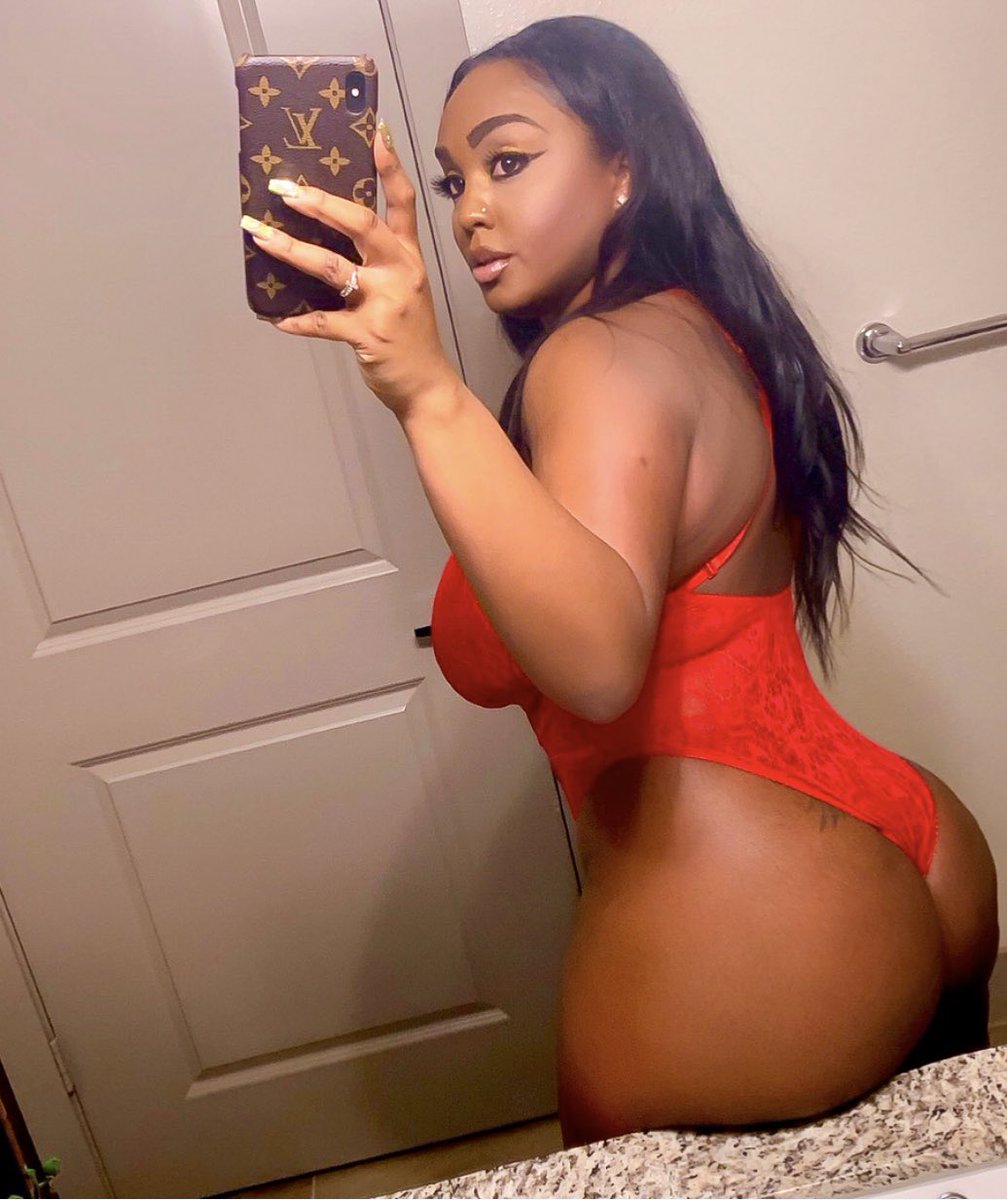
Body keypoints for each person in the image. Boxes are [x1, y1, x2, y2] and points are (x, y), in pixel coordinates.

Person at [241, 15, 998, 1148]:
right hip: (901, 830)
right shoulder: (702, 329)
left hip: (739, 916)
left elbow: (597, 667)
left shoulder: (592, 359)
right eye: (452, 181)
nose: (469, 211)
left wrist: (427, 394)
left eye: (507, 161)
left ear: (624, 168)